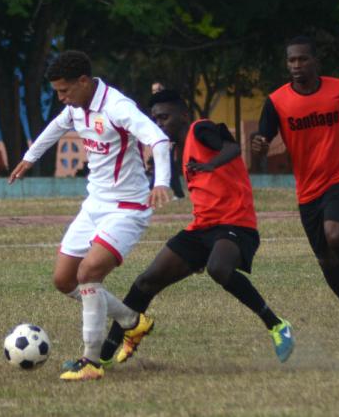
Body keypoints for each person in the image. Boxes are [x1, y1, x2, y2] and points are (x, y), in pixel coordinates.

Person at [99, 90, 294, 366]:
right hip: (203, 228)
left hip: (235, 223)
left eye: (165, 117)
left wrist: (209, 164)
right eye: (155, 119)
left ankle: (277, 325)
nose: (159, 123)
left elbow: (232, 148)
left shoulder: (199, 128)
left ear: (183, 115)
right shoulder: (174, 149)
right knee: (146, 281)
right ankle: (103, 356)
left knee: (219, 268)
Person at [8, 50, 171, 381]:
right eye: (57, 92)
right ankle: (132, 322)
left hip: (128, 208)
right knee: (64, 280)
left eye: (65, 91)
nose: (61, 98)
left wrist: (162, 181)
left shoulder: (117, 107)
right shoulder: (76, 108)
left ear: (84, 81)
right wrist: (29, 157)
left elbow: (159, 139)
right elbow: (55, 127)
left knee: (89, 272)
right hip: (94, 204)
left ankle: (91, 361)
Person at [251, 36, 339, 348]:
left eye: (302, 59)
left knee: (336, 236)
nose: (296, 66)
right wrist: (259, 146)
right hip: (307, 190)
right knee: (325, 260)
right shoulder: (277, 101)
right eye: (291, 61)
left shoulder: (338, 89)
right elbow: (261, 143)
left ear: (314, 61)